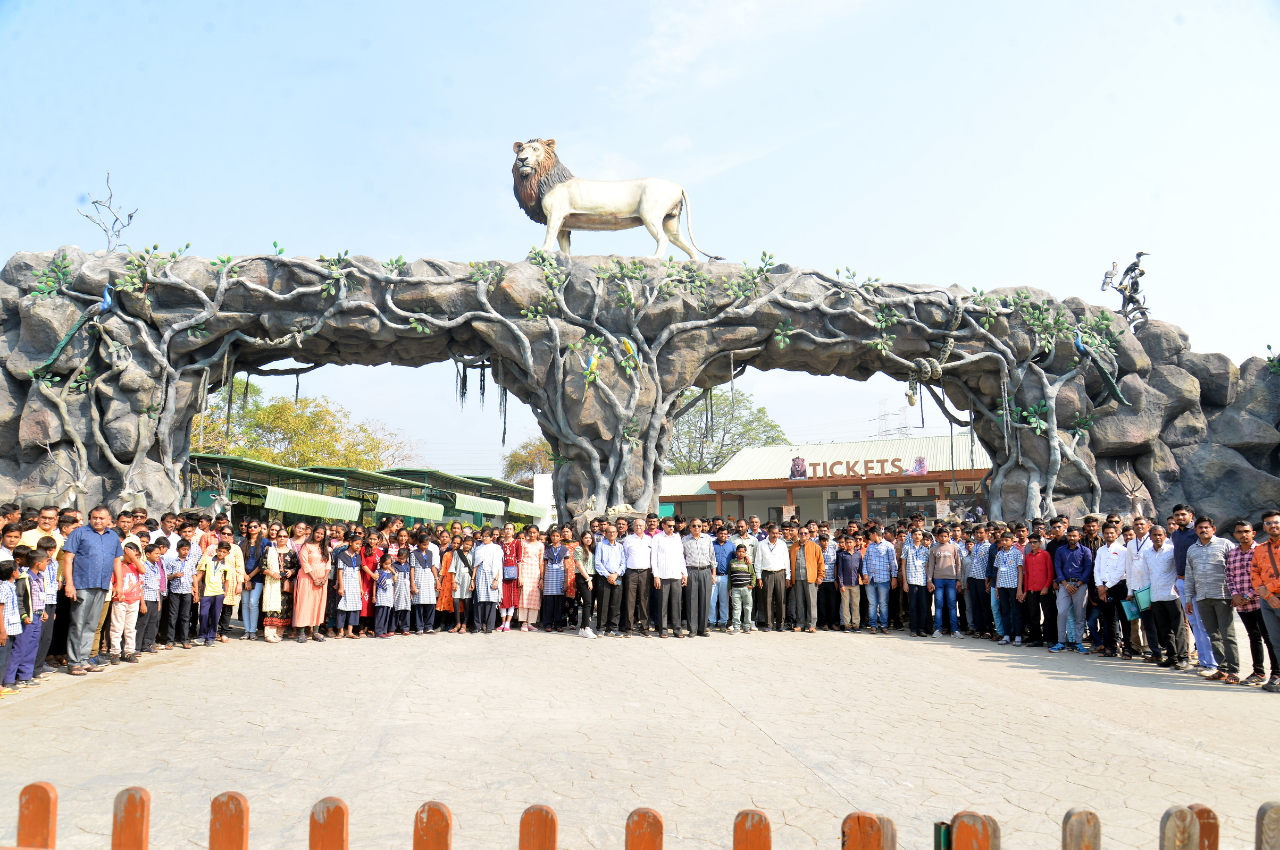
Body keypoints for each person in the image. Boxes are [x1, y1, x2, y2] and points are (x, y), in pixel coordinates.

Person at [61, 505, 124, 676]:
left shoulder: (113, 536)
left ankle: (84, 659)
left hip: (102, 584)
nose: (97, 521)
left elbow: (117, 561)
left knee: (92, 624)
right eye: (95, 517)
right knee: (78, 624)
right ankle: (74, 662)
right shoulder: (79, 533)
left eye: (101, 518)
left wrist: (119, 584)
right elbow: (68, 559)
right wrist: (69, 584)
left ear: (109, 519)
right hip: (82, 584)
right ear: (90, 518)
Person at [1184, 516, 1240, 684]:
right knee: (1213, 635)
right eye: (1200, 528)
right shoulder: (1192, 550)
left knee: (1227, 635)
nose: (1204, 530)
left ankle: (1233, 671)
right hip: (1202, 597)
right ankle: (1222, 669)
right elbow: (1189, 576)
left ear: (1213, 529)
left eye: (1207, 527)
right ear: (1195, 530)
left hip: (1223, 596)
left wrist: (1236, 593)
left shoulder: (1225, 544)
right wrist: (1188, 598)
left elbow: (1235, 569)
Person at [1227, 519, 1274, 686]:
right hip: (1242, 604)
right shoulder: (1233, 553)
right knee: (1254, 637)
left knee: (1269, 638)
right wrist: (1235, 595)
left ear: (1253, 533)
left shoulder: (1260, 550)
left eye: (1246, 531)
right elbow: (1229, 576)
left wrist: (1247, 596)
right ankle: (1258, 672)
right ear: (1235, 535)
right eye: (1239, 532)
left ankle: (1276, 673)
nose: (1243, 535)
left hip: (1260, 602)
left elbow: (1263, 577)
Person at [1171, 504, 1215, 670]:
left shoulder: (1197, 532)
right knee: (1194, 623)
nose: (1180, 517)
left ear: (1191, 515)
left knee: (1203, 623)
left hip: (1198, 582)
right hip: (1182, 582)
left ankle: (1212, 662)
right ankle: (1202, 660)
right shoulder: (1175, 534)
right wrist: (1177, 580)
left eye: (1183, 514)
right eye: (1177, 515)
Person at [1142, 524, 1187, 669]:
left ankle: (1183, 658)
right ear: (1150, 537)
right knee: (1164, 629)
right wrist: (1148, 598)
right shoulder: (1147, 553)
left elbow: (1180, 570)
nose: (1157, 537)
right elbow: (1146, 576)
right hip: (1156, 596)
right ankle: (1171, 657)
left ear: (1165, 536)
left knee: (1178, 628)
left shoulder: (1172, 550)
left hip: (1172, 595)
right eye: (1154, 535)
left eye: (1160, 535)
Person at [1250, 510, 1280, 692]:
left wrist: (1268, 589)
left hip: (1270, 595)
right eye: (1268, 523)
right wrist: (1268, 596)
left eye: (1276, 522)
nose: (1273, 525)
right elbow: (1254, 573)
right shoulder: (1260, 549)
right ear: (1264, 526)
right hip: (1267, 601)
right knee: (1276, 640)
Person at [1050, 527, 1093, 654]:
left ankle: (1078, 643)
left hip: (1080, 585)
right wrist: (1065, 584)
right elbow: (1058, 567)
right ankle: (1061, 642)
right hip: (1064, 585)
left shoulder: (1085, 551)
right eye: (1069, 535)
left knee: (1080, 615)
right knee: (1062, 613)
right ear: (1066, 536)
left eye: (1074, 535)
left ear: (1079, 536)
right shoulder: (1060, 550)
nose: (1072, 538)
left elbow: (1088, 569)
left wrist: (1077, 584)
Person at [1095, 522, 1133, 659]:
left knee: (1124, 619)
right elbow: (1096, 569)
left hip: (1120, 586)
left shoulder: (1123, 550)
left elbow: (1121, 570)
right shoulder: (1100, 550)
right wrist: (1100, 586)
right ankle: (1110, 648)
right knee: (1108, 619)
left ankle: (1128, 648)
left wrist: (1106, 587)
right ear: (1103, 534)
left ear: (1117, 534)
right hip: (1104, 588)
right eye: (1106, 533)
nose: (1109, 535)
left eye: (1112, 533)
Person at [108, 542, 145, 663]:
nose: (133, 558)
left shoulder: (135, 565)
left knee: (130, 628)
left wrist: (134, 558)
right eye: (131, 555)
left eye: (136, 555)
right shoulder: (118, 565)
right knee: (117, 627)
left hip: (134, 600)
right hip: (120, 600)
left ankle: (129, 652)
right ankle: (115, 653)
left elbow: (143, 570)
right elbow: (113, 582)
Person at [651, 517, 687, 638]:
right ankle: (663, 629)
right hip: (663, 575)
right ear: (663, 525)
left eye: (673, 526)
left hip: (676, 575)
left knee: (676, 604)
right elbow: (653, 558)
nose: (672, 528)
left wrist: (684, 573)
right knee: (663, 604)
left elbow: (681, 557)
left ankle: (677, 629)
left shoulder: (677, 538)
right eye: (669, 526)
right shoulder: (657, 538)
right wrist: (656, 575)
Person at [294, 524, 329, 643]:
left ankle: (315, 632)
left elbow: (328, 564)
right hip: (307, 579)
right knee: (304, 604)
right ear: (313, 533)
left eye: (322, 534)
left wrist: (325, 578)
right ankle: (301, 633)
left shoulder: (325, 548)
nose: (319, 535)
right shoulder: (306, 546)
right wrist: (314, 578)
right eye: (317, 532)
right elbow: (304, 563)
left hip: (322, 581)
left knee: (318, 604)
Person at [194, 541, 233, 648]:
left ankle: (211, 638)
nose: (221, 553)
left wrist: (225, 592)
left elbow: (227, 580)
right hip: (207, 592)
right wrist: (195, 586)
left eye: (224, 552)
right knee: (203, 614)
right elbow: (200, 574)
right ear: (216, 550)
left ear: (227, 553)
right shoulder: (208, 560)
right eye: (220, 551)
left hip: (219, 593)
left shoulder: (227, 566)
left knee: (215, 616)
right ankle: (202, 636)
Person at [927, 526, 963, 638]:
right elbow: (931, 566)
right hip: (938, 579)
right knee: (938, 605)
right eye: (941, 536)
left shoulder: (954, 548)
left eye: (945, 536)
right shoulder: (934, 549)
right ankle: (938, 629)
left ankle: (955, 630)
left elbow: (958, 565)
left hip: (951, 579)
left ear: (948, 537)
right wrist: (929, 580)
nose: (943, 538)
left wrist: (959, 579)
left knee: (952, 605)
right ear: (937, 537)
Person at [989, 532, 1024, 646]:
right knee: (1005, 611)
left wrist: (1019, 589)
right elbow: (998, 570)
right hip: (1002, 585)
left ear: (1012, 540)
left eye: (1007, 540)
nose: (1004, 542)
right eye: (1002, 540)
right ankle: (1006, 635)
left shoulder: (1017, 553)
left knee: (1017, 611)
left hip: (1014, 585)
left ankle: (1018, 636)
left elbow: (1020, 571)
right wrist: (997, 588)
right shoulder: (999, 554)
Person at [1020, 534, 1055, 647]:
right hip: (1031, 589)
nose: (1033, 544)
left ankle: (1050, 639)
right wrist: (1026, 590)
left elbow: (1050, 572)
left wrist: (1047, 587)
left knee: (1048, 615)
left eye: (1035, 542)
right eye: (1031, 542)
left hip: (1044, 589)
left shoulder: (1045, 554)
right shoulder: (1028, 557)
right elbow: (1027, 574)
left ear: (1040, 543)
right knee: (1034, 615)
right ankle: (1037, 639)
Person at [682, 518, 714, 637]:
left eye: (699, 526)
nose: (697, 528)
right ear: (690, 527)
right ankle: (692, 629)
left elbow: (712, 556)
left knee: (705, 600)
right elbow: (682, 558)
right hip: (691, 571)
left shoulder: (707, 539)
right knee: (692, 600)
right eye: (694, 526)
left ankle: (702, 629)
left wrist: (713, 573)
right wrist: (684, 574)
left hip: (706, 571)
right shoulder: (684, 540)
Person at [621, 518, 652, 637]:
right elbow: (625, 556)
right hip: (631, 572)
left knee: (644, 600)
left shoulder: (649, 539)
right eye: (636, 525)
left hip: (645, 572)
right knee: (630, 601)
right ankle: (629, 629)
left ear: (645, 527)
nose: (638, 527)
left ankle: (644, 628)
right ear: (633, 527)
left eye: (641, 525)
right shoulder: (628, 539)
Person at [863, 526, 897, 635]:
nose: (869, 536)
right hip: (871, 579)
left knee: (883, 603)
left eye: (870, 534)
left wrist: (894, 578)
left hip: (883, 579)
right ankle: (873, 625)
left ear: (875, 534)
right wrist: (865, 574)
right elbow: (865, 561)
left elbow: (893, 563)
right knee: (872, 603)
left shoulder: (888, 546)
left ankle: (883, 625)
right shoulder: (870, 546)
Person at [594, 522, 625, 637]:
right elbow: (598, 563)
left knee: (616, 603)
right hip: (604, 578)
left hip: (618, 577)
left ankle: (613, 628)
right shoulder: (601, 545)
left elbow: (624, 563)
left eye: (614, 532)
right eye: (609, 532)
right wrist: (608, 576)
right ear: (605, 534)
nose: (612, 534)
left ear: (617, 533)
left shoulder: (620, 546)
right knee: (603, 603)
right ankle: (601, 628)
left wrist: (616, 575)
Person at [238, 519, 267, 641]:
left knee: (253, 603)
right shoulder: (243, 542)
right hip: (244, 575)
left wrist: (249, 577)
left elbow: (263, 562)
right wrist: (245, 577)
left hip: (258, 576)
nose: (252, 529)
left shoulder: (265, 542)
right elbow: (239, 561)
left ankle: (253, 631)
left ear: (259, 528)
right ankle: (247, 631)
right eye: (250, 527)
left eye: (255, 526)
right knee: (245, 603)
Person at [901, 528, 930, 637]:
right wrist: (905, 582)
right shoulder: (907, 548)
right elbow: (903, 565)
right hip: (911, 580)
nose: (917, 536)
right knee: (912, 606)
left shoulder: (925, 550)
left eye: (919, 534)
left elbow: (926, 566)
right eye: (915, 534)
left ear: (922, 536)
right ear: (912, 536)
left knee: (923, 606)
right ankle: (913, 629)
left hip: (922, 581)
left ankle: (921, 629)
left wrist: (929, 581)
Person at [137, 544, 166, 653]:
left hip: (154, 599)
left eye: (159, 553)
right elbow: (141, 586)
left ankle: (146, 645)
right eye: (156, 553)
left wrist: (159, 602)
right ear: (148, 554)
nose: (158, 555)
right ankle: (137, 647)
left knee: (152, 623)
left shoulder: (156, 567)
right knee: (142, 623)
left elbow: (157, 586)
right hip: (146, 599)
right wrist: (142, 603)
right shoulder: (144, 567)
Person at [409, 532, 438, 634]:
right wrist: (412, 584)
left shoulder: (430, 553)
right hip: (419, 578)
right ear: (418, 543)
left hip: (429, 579)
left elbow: (433, 566)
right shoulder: (413, 554)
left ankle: (429, 626)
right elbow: (412, 569)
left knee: (430, 603)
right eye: (424, 544)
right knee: (419, 603)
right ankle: (419, 627)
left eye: (427, 545)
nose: (426, 547)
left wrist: (437, 579)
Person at [516, 525, 543, 631]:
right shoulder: (523, 543)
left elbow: (541, 562)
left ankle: (531, 622)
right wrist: (520, 576)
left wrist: (542, 578)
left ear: (538, 533)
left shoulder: (540, 545)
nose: (532, 534)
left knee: (534, 597)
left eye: (534, 532)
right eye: (530, 532)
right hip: (525, 570)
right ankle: (523, 622)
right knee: (524, 597)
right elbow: (520, 560)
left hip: (535, 572)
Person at [835, 534, 863, 632]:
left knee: (855, 605)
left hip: (855, 583)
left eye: (851, 542)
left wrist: (863, 578)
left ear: (854, 543)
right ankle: (847, 625)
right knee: (845, 605)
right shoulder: (842, 555)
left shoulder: (858, 555)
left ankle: (856, 625)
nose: (849, 544)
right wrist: (841, 584)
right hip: (845, 584)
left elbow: (860, 569)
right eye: (847, 543)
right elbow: (840, 571)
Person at [571, 530, 596, 638]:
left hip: (592, 576)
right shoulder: (579, 549)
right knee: (587, 602)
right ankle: (586, 627)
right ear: (581, 538)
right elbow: (579, 565)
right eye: (586, 538)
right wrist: (588, 579)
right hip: (583, 577)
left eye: (590, 538)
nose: (588, 539)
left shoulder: (592, 549)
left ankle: (582, 628)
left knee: (590, 602)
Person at [727, 543, 757, 634]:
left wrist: (752, 584)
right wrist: (730, 588)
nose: (741, 553)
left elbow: (753, 575)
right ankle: (736, 627)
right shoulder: (732, 562)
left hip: (746, 589)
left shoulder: (748, 563)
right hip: (735, 589)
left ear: (745, 553)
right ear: (736, 552)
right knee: (736, 608)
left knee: (747, 607)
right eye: (739, 551)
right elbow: (729, 576)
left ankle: (747, 626)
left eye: (743, 552)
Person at [0, 561, 20, 695]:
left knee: (5, 658)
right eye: (17, 570)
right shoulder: (3, 588)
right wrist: (2, 631)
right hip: (4, 629)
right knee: (1, 658)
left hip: (11, 628)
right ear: (13, 573)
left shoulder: (12, 586)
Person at [710, 526, 734, 632]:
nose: (723, 535)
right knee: (712, 601)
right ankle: (711, 622)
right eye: (721, 533)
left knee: (724, 601)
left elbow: (735, 559)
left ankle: (723, 622)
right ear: (717, 534)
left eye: (725, 534)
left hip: (726, 576)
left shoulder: (731, 545)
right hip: (713, 576)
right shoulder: (711, 545)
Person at [373, 553, 396, 638]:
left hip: (389, 596)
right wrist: (374, 596)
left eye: (389, 564)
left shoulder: (391, 573)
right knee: (380, 614)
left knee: (387, 613)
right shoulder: (378, 572)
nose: (387, 566)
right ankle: (378, 632)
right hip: (381, 595)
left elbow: (392, 585)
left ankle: (384, 631)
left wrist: (393, 596)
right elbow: (374, 584)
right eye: (385, 564)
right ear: (381, 563)